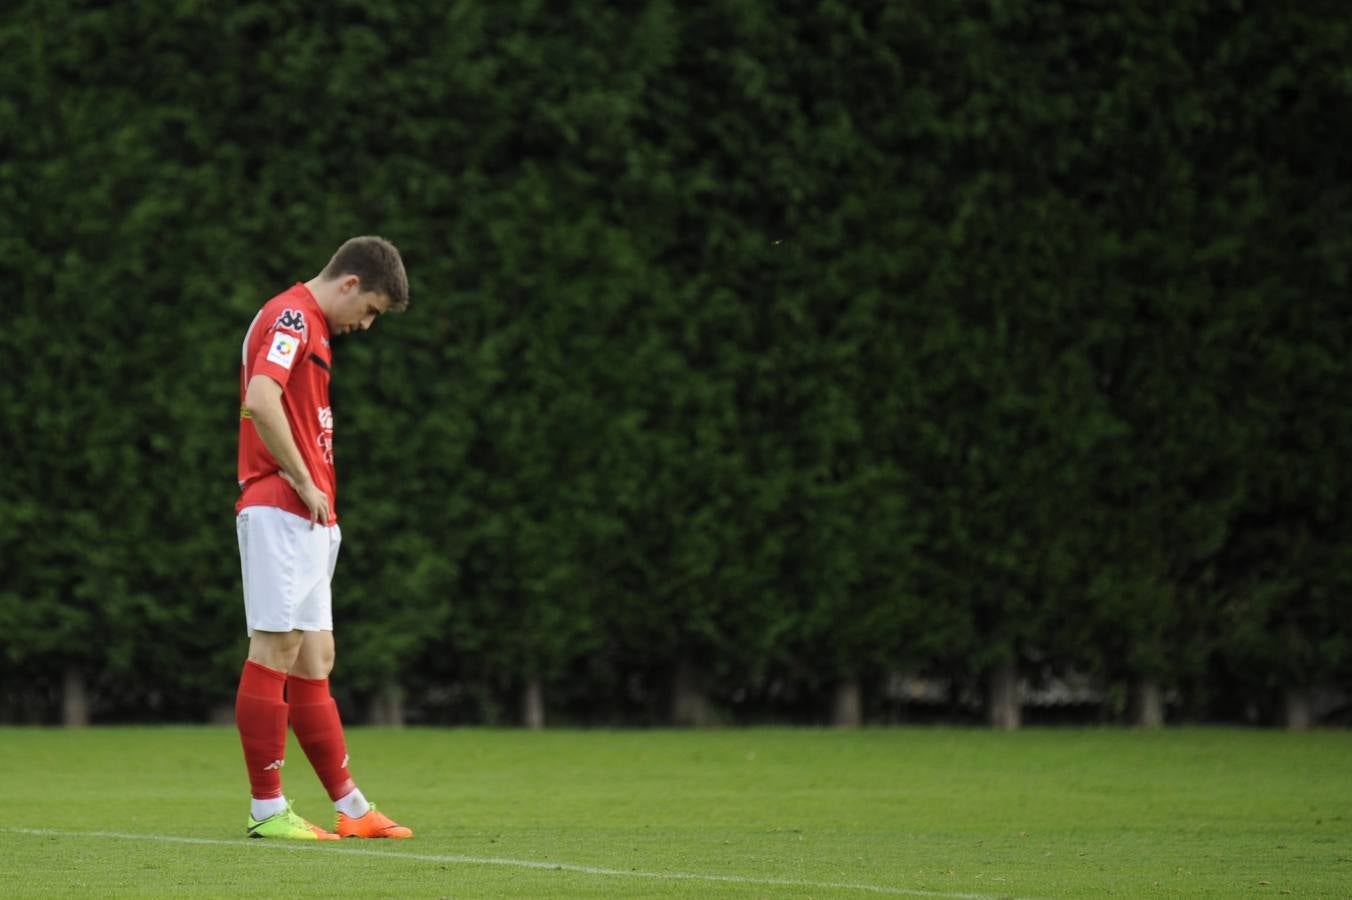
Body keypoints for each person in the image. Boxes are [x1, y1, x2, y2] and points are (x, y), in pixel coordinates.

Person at [234, 236, 413, 840]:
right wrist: (304, 480)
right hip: (282, 508)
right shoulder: (291, 316)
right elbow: (261, 399)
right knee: (276, 648)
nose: (365, 325)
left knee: (316, 658)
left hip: (310, 517)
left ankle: (353, 809)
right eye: (370, 311)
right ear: (350, 284)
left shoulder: (312, 326)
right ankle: (267, 809)